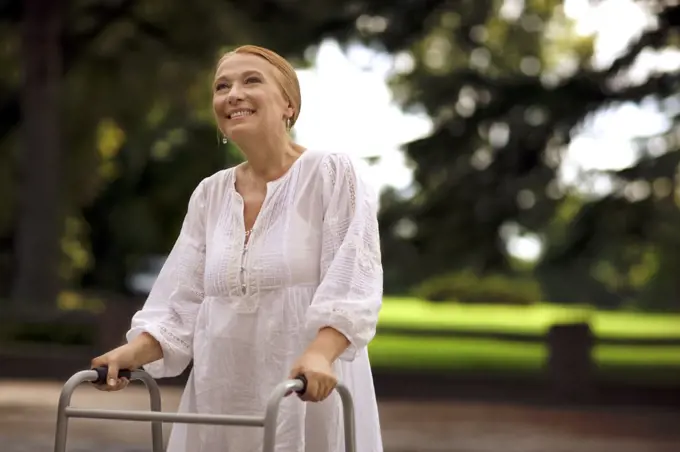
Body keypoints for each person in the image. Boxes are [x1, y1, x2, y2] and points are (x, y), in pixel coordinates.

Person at [90, 44, 384, 452]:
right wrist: (132, 352)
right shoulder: (209, 194)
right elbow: (182, 301)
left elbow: (353, 282)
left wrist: (320, 354)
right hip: (222, 395)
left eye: (251, 81)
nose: (233, 94)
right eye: (222, 86)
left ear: (288, 104)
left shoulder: (331, 173)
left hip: (305, 391)